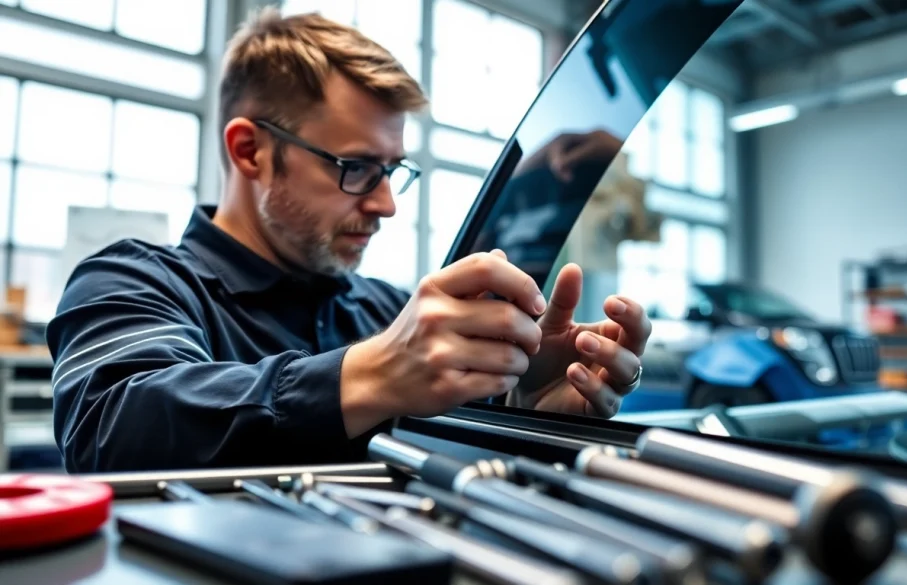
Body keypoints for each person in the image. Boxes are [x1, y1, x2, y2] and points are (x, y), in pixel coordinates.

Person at [46, 8, 652, 473]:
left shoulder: (388, 311)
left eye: (393, 172)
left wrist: (523, 409)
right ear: (249, 150)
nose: (386, 204)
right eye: (355, 167)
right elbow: (111, 427)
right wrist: (367, 376)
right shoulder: (133, 281)